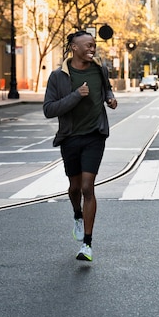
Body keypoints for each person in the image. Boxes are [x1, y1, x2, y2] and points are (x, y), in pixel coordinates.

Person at [43, 30, 117, 262]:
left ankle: (87, 243)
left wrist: (110, 98)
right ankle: (77, 213)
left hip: (95, 135)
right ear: (74, 48)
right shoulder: (58, 76)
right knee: (74, 188)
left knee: (88, 187)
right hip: (70, 137)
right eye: (87, 45)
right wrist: (76, 95)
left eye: (94, 45)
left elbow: (106, 89)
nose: (92, 49)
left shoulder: (100, 70)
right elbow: (49, 109)